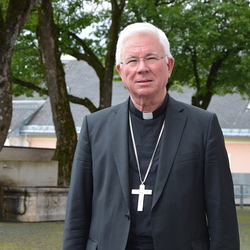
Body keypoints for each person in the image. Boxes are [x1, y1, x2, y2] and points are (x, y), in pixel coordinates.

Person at [62, 22, 239, 250]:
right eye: (132, 60)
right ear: (120, 70)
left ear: (169, 65)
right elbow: (77, 212)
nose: (142, 68)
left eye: (151, 58)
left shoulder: (203, 126)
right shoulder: (94, 127)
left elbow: (222, 217)